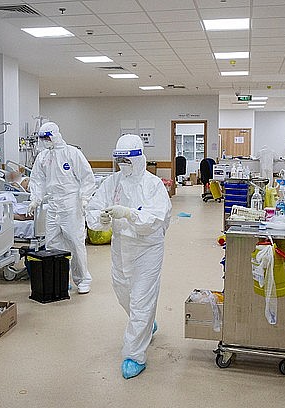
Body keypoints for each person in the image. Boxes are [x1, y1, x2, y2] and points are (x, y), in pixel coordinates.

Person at [86, 134, 172, 379]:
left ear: (139, 159)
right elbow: (93, 207)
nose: (123, 164)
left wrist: (129, 214)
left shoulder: (152, 185)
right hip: (121, 247)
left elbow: (157, 219)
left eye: (127, 159)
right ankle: (146, 324)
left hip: (147, 248)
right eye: (119, 159)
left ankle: (134, 355)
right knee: (123, 292)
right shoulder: (112, 183)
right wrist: (99, 220)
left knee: (141, 301)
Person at [27, 121, 95, 294]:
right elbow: (37, 180)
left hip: (71, 203)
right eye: (42, 138)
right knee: (52, 243)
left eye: (47, 137)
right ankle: (60, 278)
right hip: (53, 205)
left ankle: (83, 279)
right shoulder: (42, 157)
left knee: (76, 242)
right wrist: (35, 199)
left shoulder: (72, 153)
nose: (45, 141)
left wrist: (84, 198)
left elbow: (87, 177)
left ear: (56, 135)